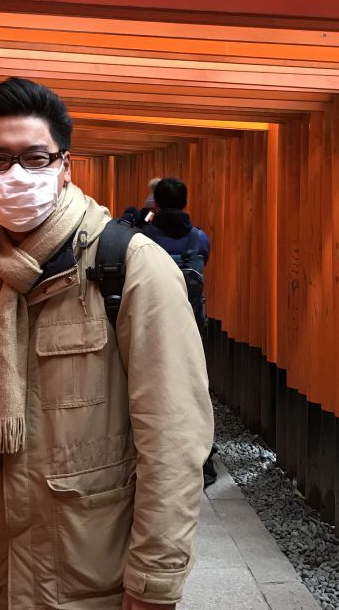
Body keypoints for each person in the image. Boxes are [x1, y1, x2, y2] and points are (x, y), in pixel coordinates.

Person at [0, 78, 213, 610]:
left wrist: (154, 578)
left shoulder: (130, 267)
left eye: (36, 158)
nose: (16, 174)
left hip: (98, 580)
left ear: (65, 167)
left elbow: (174, 436)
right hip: (2, 578)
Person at [142, 178, 215, 486]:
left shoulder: (143, 237)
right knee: (193, 385)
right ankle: (202, 459)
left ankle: (158, 453)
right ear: (185, 202)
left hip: (152, 320)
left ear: (156, 202)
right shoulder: (198, 237)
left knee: (151, 384)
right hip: (191, 321)